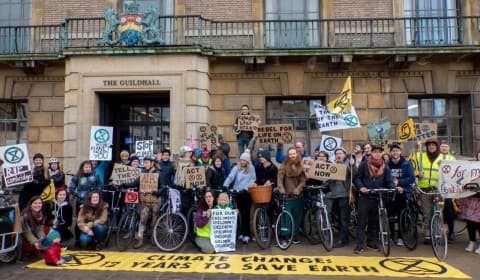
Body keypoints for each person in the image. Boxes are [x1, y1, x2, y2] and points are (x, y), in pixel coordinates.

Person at [353, 144, 393, 254]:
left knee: (374, 222)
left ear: (381, 153)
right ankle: (359, 245)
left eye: (378, 152)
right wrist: (361, 187)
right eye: (374, 152)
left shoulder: (385, 167)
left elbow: (388, 180)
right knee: (362, 222)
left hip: (378, 196)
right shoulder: (364, 165)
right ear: (371, 153)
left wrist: (392, 188)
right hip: (365, 197)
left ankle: (371, 242)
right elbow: (357, 178)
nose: (376, 154)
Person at [410, 138, 442, 243]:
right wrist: (417, 173)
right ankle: (428, 233)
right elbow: (411, 164)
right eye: (429, 145)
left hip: (439, 189)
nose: (431, 147)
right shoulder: (420, 155)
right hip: (424, 189)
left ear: (437, 147)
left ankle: (438, 231)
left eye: (433, 145)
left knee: (438, 211)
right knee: (426, 212)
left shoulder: (443, 158)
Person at [223, 151, 256, 244]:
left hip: (247, 193)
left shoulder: (251, 168)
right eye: (241, 160)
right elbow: (230, 177)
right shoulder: (236, 168)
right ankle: (240, 233)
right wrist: (225, 185)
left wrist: (246, 188)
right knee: (239, 213)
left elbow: (253, 179)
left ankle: (247, 234)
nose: (242, 162)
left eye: (244, 160)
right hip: (237, 193)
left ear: (247, 161)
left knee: (246, 214)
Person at [326, 147, 356, 248]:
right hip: (334, 195)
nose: (338, 155)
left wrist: (353, 166)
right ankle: (343, 237)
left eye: (340, 153)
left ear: (344, 154)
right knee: (338, 218)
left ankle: (343, 240)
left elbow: (354, 175)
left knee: (344, 218)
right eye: (337, 153)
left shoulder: (348, 164)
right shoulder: (332, 165)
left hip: (344, 195)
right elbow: (328, 179)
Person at [387, 143, 415, 246]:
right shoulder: (387, 164)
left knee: (401, 216)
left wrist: (399, 183)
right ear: (390, 153)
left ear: (400, 152)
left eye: (397, 151)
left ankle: (400, 237)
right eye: (393, 151)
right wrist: (392, 185)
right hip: (390, 193)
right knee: (389, 216)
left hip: (402, 192)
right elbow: (385, 178)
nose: (395, 152)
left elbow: (411, 178)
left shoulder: (407, 164)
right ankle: (390, 236)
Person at [277, 147, 306, 245]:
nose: (292, 155)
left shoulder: (300, 165)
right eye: (290, 154)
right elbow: (280, 180)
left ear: (297, 154)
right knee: (286, 218)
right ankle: (284, 236)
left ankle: (294, 236)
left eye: (294, 153)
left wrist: (298, 189)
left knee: (297, 217)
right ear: (288, 155)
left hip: (298, 196)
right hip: (287, 196)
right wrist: (282, 190)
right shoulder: (284, 165)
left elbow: (303, 180)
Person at [134, 155, 161, 249]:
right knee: (142, 220)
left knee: (155, 219)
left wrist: (158, 191)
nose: (145, 164)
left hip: (155, 201)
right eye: (144, 162)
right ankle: (140, 239)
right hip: (145, 201)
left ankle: (154, 237)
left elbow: (162, 187)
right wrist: (124, 184)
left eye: (146, 162)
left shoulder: (158, 173)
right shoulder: (143, 173)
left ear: (152, 163)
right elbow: (135, 182)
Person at [439, 140, 457, 242]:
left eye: (446, 146)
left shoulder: (452, 158)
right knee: (436, 210)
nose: (444, 148)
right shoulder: (436, 157)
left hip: (448, 189)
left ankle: (451, 231)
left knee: (449, 211)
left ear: (449, 148)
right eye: (442, 146)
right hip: (437, 187)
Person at [194, 189, 216, 254]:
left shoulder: (217, 208)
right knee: (211, 250)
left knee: (220, 249)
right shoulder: (201, 209)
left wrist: (234, 212)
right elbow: (199, 224)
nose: (208, 198)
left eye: (210, 196)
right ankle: (200, 245)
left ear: (213, 198)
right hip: (202, 237)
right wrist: (206, 217)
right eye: (206, 197)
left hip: (214, 237)